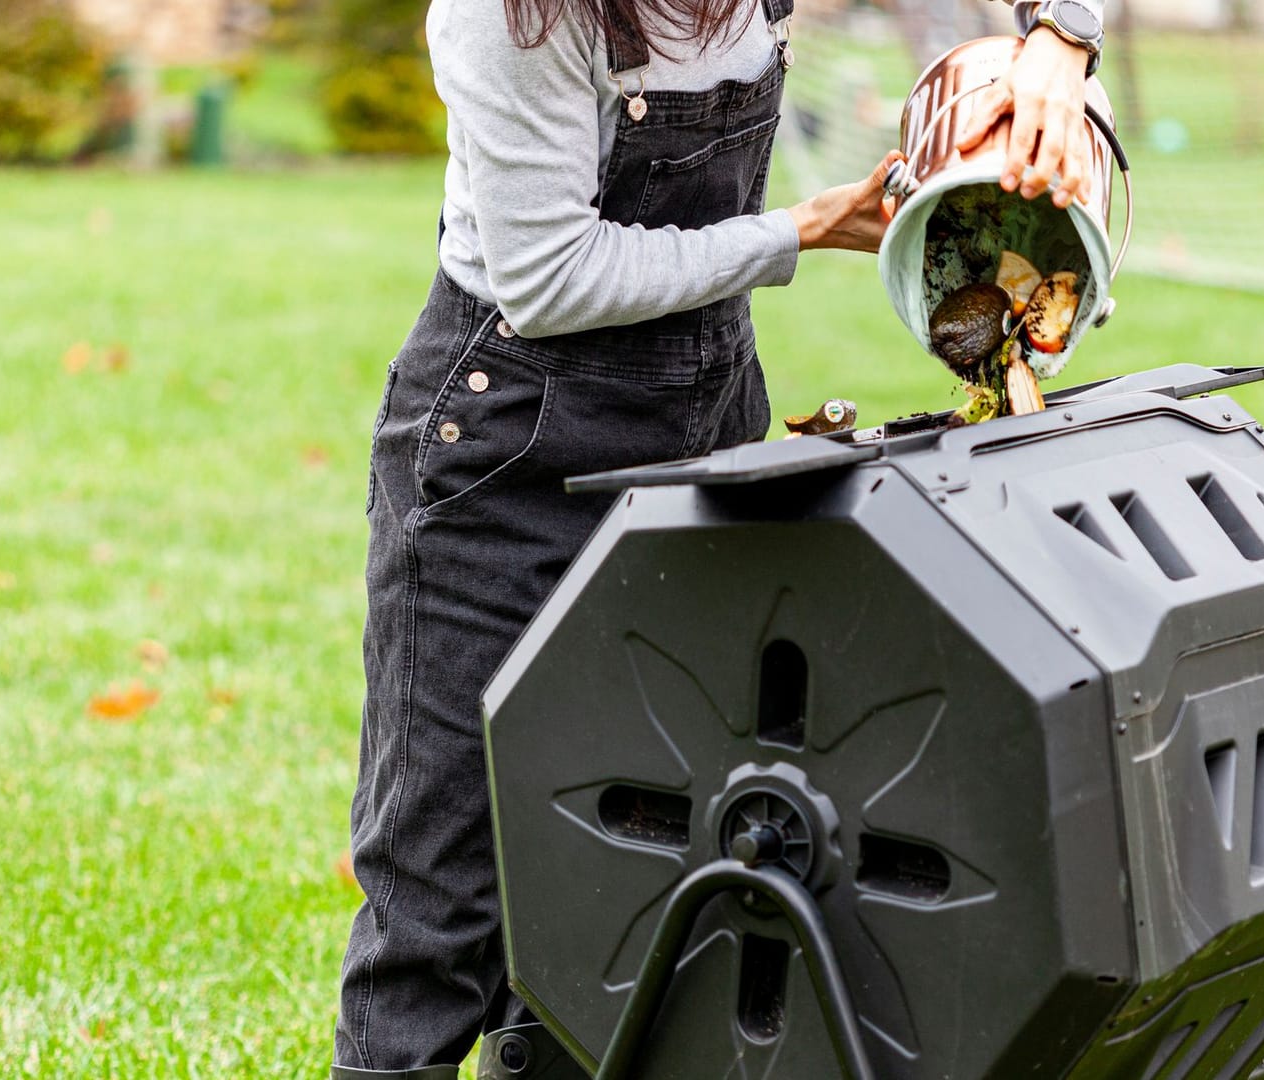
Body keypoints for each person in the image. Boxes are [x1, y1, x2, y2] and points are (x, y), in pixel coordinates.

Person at [334, 0, 1110, 1075]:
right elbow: (549, 275)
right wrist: (798, 229)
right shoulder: (504, 16)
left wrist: (1060, 50)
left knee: (643, 886)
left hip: (702, 434)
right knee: (443, 906)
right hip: (508, 461)